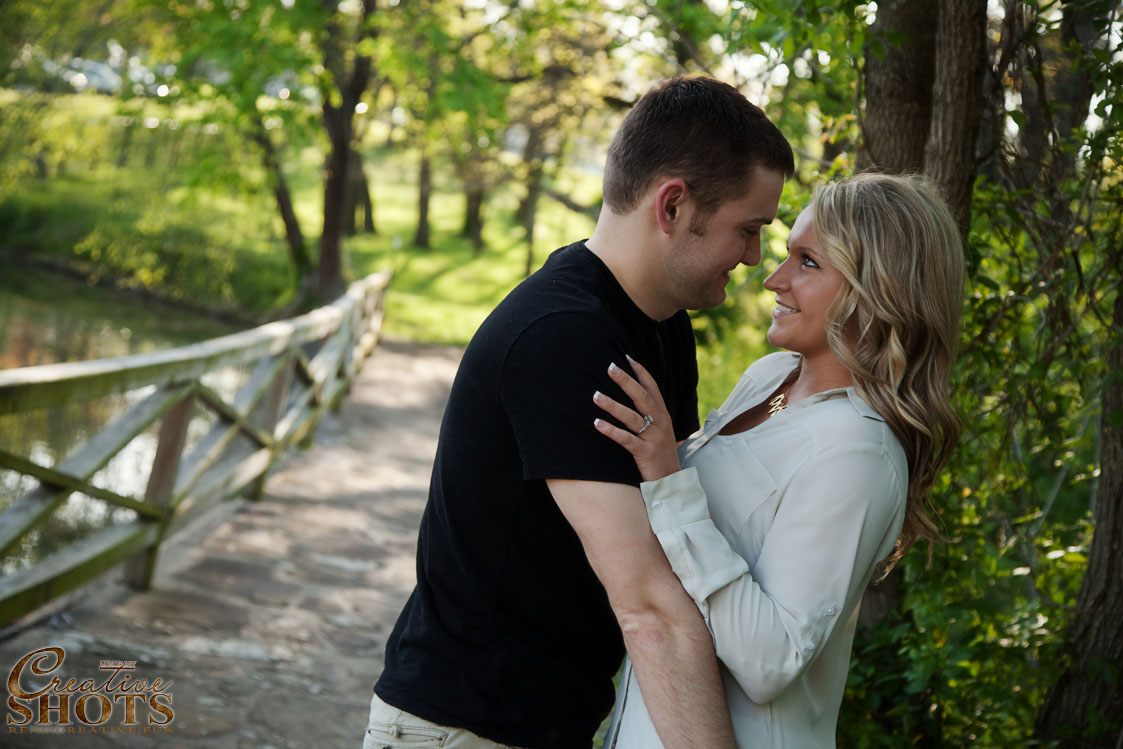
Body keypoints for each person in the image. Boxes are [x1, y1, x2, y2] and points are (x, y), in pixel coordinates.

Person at [364, 76, 795, 749]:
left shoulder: (659, 324)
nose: (753, 258)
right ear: (673, 205)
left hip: (550, 723)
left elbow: (673, 518)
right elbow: (647, 606)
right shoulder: (564, 337)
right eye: (748, 229)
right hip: (462, 726)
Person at [593, 172, 965, 748]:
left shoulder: (857, 450)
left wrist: (668, 478)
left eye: (808, 263)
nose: (773, 279)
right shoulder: (769, 378)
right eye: (786, 256)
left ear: (878, 290)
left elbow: (771, 659)